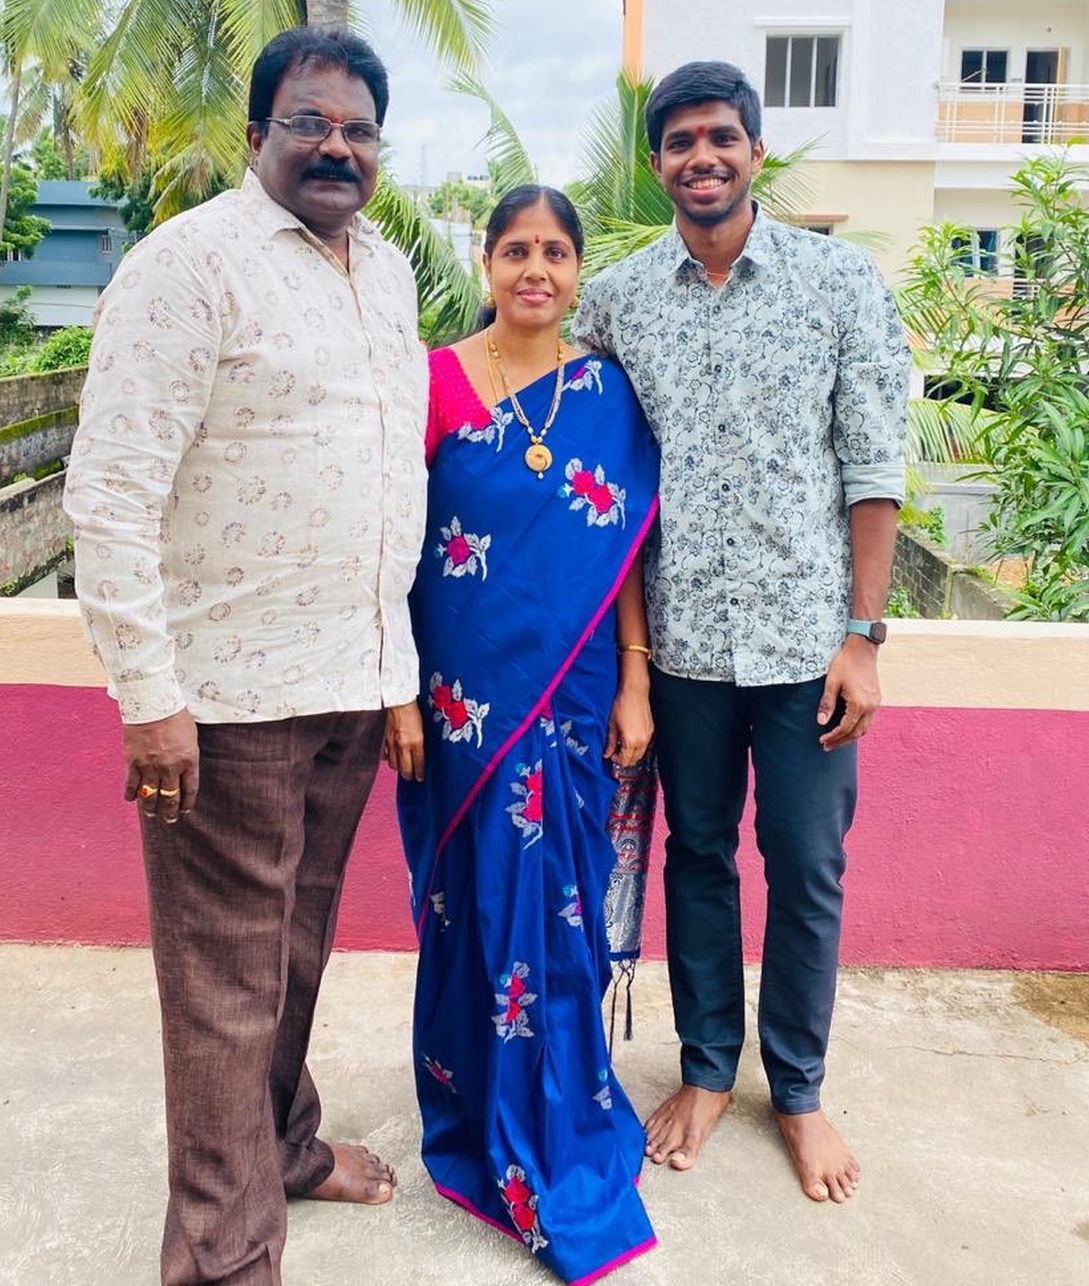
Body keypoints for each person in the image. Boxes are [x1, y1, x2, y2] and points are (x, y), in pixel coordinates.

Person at [63, 26, 429, 1285]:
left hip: (348, 681)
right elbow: (109, 493)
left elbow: (391, 474)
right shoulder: (189, 265)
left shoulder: (384, 271)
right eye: (311, 122)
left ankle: (283, 1143)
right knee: (224, 992)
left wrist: (396, 675)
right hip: (220, 701)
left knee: (296, 951)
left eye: (359, 129)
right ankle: (224, 1262)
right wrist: (149, 700)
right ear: (258, 130)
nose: (337, 145)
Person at [575, 61, 909, 1205]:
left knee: (808, 869)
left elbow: (872, 469)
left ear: (755, 151)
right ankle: (709, 1069)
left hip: (810, 647)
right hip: (681, 653)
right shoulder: (616, 300)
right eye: (679, 142)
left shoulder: (838, 280)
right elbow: (592, 474)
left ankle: (801, 1088)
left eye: (722, 137)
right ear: (657, 160)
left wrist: (863, 634)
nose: (701, 158)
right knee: (700, 858)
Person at [392, 186, 660, 1284]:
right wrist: (399, 692)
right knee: (480, 890)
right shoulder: (435, 379)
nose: (535, 269)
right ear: (486, 259)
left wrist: (637, 681)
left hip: (581, 682)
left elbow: (624, 548)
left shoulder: (604, 391)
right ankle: (481, 1107)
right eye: (516, 250)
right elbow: (392, 541)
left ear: (577, 268)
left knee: (562, 895)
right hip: (465, 695)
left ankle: (565, 1105)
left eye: (555, 251)